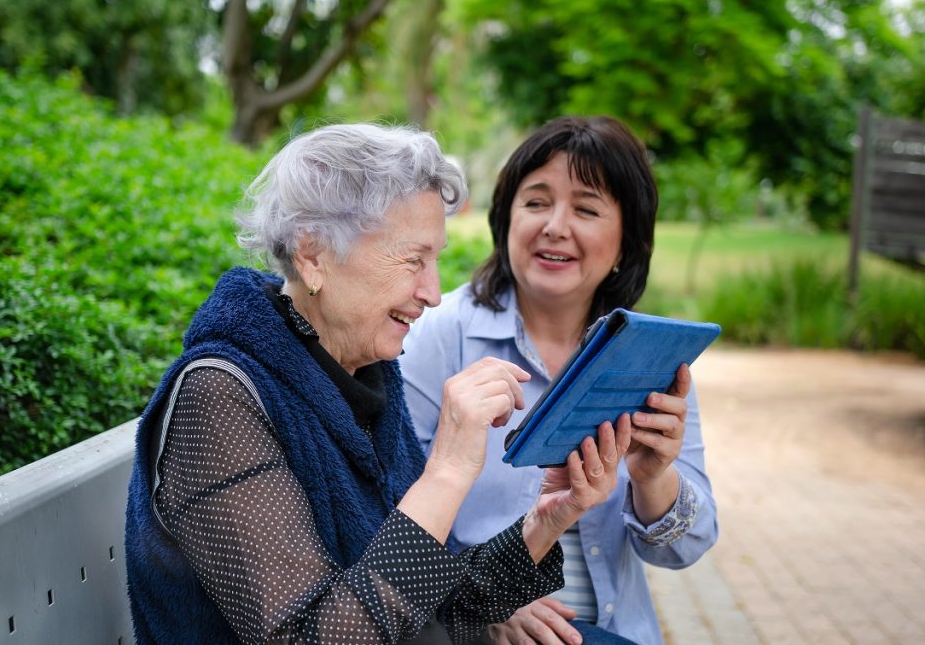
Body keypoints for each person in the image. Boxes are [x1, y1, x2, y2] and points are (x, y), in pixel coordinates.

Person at [124, 123, 634, 645]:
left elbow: (436, 603)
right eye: (413, 260)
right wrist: (448, 470)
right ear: (312, 255)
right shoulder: (218, 400)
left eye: (435, 260)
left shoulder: (363, 371)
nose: (433, 293)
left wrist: (545, 521)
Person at [400, 116, 718, 645]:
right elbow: (390, 519)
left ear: (626, 241)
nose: (555, 226)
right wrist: (486, 597)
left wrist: (652, 476)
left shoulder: (651, 356)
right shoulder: (436, 334)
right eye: (536, 202)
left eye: (587, 209)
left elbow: (686, 548)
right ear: (505, 220)